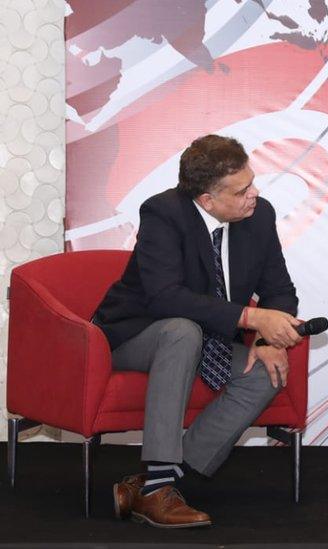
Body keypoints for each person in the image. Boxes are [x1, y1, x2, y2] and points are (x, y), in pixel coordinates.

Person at [92, 135, 304, 528]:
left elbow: (279, 290)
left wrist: (266, 338)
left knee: (264, 372)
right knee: (181, 329)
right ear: (207, 200)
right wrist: (252, 319)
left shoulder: (259, 216)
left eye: (252, 182)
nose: (254, 194)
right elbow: (164, 298)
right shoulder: (163, 213)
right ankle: (156, 492)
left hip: (205, 335)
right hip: (134, 335)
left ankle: (159, 481)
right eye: (242, 191)